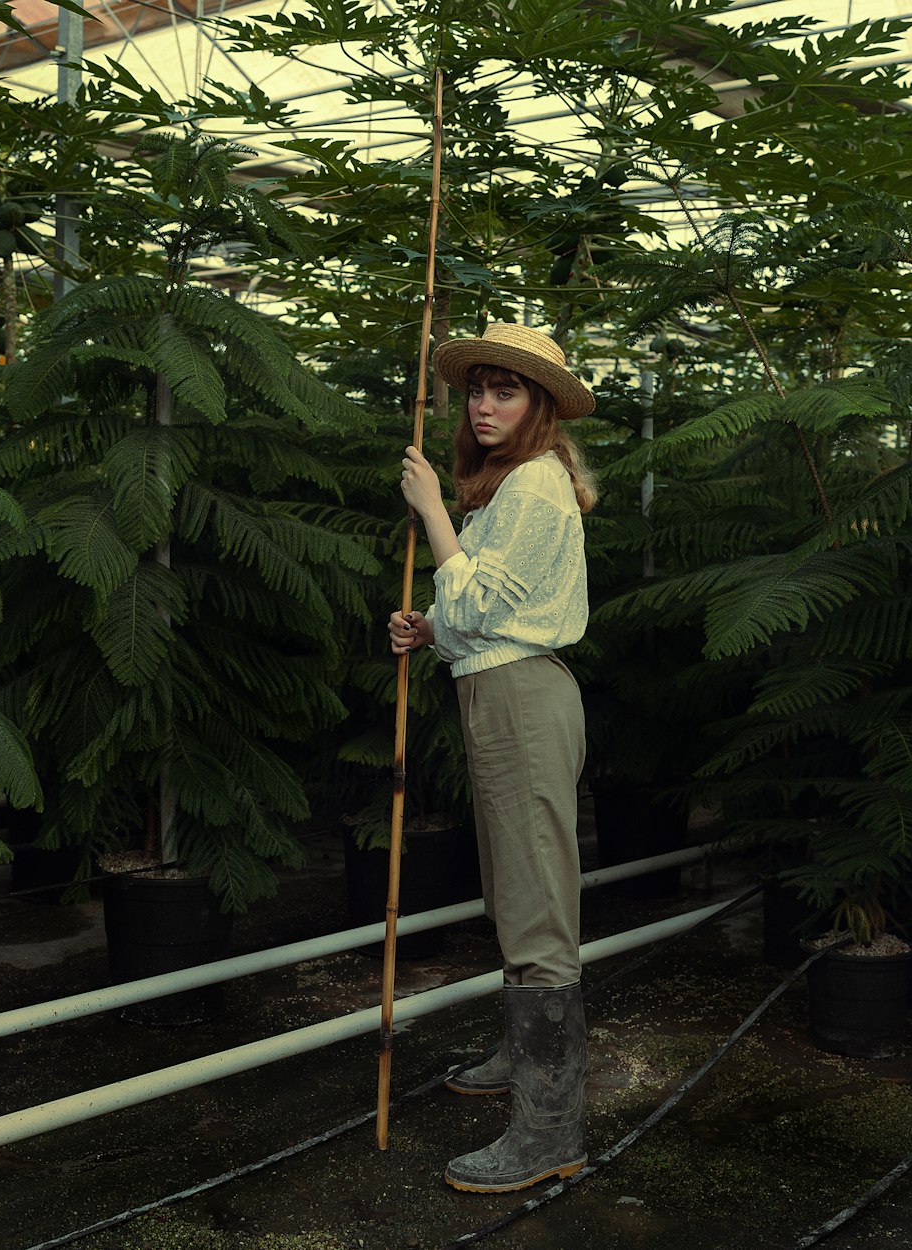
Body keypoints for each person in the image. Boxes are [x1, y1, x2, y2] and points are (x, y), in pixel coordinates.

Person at [387, 321, 598, 1194]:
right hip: (502, 691)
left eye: (503, 391)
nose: (482, 404)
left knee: (537, 898)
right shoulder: (512, 489)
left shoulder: (535, 488)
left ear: (539, 405)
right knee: (513, 886)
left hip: (522, 702)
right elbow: (480, 618)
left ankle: (551, 1129)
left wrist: (433, 511)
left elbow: (480, 607)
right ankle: (524, 1054)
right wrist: (431, 628)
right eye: (475, 389)